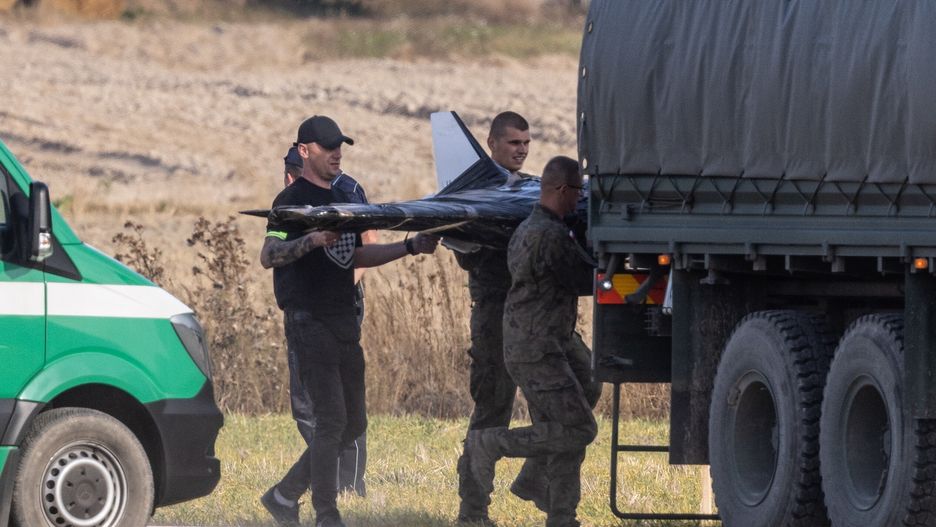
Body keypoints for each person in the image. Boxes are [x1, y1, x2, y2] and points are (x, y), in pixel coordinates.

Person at [260, 115, 440, 527]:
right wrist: (310, 240)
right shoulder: (290, 202)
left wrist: (410, 246)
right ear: (304, 151)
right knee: (331, 421)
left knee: (353, 421)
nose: (337, 153)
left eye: (339, 146)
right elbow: (269, 255)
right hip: (308, 320)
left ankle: (283, 495)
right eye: (328, 147)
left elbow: (356, 255)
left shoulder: (345, 198)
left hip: (343, 319)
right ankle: (327, 514)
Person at [464, 156, 601, 527]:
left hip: (548, 341)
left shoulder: (528, 227)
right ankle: (493, 444)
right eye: (577, 192)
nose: (579, 199)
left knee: (577, 404)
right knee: (579, 428)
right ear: (562, 190)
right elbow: (583, 279)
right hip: (537, 347)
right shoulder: (550, 236)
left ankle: (557, 508)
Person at [454, 111, 539, 525]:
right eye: (513, 143)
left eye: (526, 143)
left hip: (536, 315)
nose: (521, 150)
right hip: (495, 316)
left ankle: (536, 477)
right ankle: (473, 510)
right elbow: (462, 248)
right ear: (491, 143)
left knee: (575, 394)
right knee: (493, 409)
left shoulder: (530, 189)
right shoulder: (477, 195)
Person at [282, 146, 374, 498]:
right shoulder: (295, 201)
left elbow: (369, 243)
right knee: (309, 404)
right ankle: (330, 478)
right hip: (307, 309)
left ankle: (348, 484)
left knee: (339, 403)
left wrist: (337, 288)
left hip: (337, 309)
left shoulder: (347, 191)